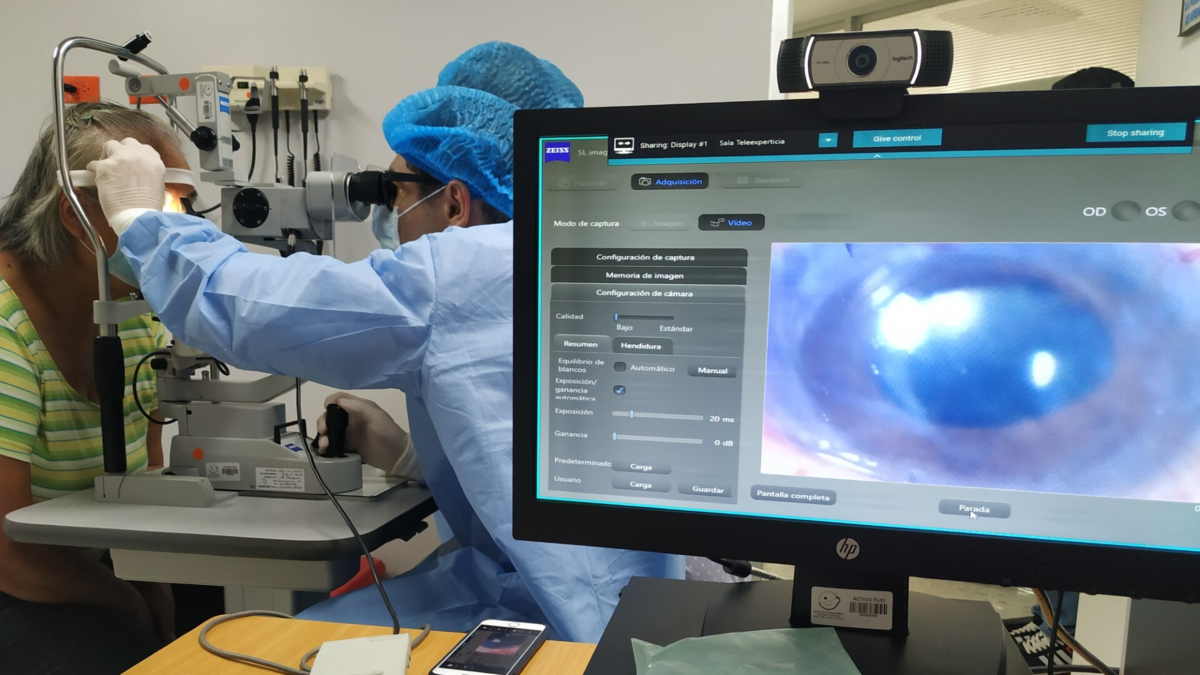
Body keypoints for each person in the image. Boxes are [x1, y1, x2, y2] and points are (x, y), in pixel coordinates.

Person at [86, 44, 684, 643]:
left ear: (455, 202)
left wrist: (143, 222)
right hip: (634, 602)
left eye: (395, 195)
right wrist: (409, 457)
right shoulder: (576, 253)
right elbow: (533, 446)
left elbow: (246, 306)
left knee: (262, 646)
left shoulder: (462, 269)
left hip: (554, 620)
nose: (389, 217)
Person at [0, 102, 179, 674]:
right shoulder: (6, 324)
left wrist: (154, 586)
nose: (171, 232)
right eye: (149, 207)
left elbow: (147, 482)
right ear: (75, 217)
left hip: (87, 564)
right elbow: (8, 554)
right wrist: (128, 601)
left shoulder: (132, 312)